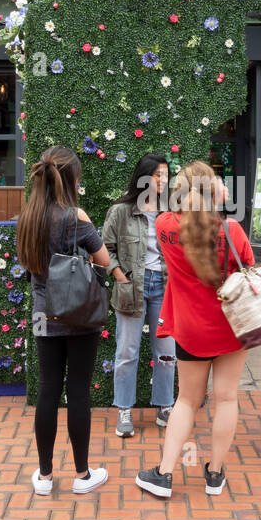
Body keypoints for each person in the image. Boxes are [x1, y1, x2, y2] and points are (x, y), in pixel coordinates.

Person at [136, 161, 252, 498]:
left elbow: (175, 214)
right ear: (213, 191)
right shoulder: (232, 231)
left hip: (190, 329)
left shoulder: (164, 226)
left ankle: (165, 474)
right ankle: (215, 474)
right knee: (227, 398)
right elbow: (249, 271)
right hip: (232, 327)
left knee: (187, 400)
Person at [16, 146, 111, 496]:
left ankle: (43, 476)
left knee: (48, 388)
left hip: (43, 313)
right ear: (71, 179)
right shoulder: (76, 218)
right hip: (80, 315)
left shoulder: (29, 217)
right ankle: (83, 475)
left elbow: (28, 265)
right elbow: (102, 260)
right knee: (79, 391)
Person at [102, 153, 175, 437]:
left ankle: (164, 406)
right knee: (127, 351)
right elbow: (104, 249)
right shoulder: (121, 211)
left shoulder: (171, 210)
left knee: (167, 353)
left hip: (164, 287)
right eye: (158, 175)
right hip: (131, 287)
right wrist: (119, 275)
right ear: (144, 177)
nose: (163, 180)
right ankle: (124, 410)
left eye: (166, 175)